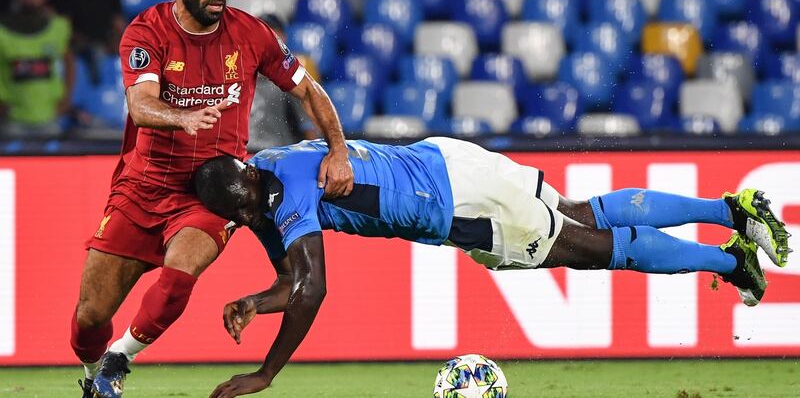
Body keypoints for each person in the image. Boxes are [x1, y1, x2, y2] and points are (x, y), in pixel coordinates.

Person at [193, 137, 792, 397]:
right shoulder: (267, 165)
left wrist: (264, 373)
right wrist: (257, 301)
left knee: (589, 249)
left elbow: (312, 288)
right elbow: (290, 282)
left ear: (244, 187)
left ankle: (730, 258)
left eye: (252, 197)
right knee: (580, 211)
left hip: (459, 208)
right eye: (246, 205)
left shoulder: (284, 199)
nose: (256, 203)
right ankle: (728, 209)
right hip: (446, 160)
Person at [70, 0, 354, 397]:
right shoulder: (146, 31)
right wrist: (180, 117)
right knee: (89, 318)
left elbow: (308, 90)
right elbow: (140, 105)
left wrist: (339, 150)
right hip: (141, 189)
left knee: (180, 275)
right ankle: (92, 377)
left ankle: (119, 358)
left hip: (210, 192)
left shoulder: (251, 34)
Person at [0, 0, 74, 138]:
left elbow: (69, 63)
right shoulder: (3, 31)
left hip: (49, 116)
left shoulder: (58, 27)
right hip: (13, 117)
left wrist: (66, 99)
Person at [50, 0, 125, 83]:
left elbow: (119, 25)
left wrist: (119, 42)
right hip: (76, 47)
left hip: (105, 45)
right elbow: (61, 27)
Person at [248, 13, 317, 150]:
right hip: (243, 154)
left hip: (278, 154)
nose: (265, 41)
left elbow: (308, 125)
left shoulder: (292, 74)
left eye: (271, 34)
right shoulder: (238, 72)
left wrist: (315, 156)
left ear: (282, 38)